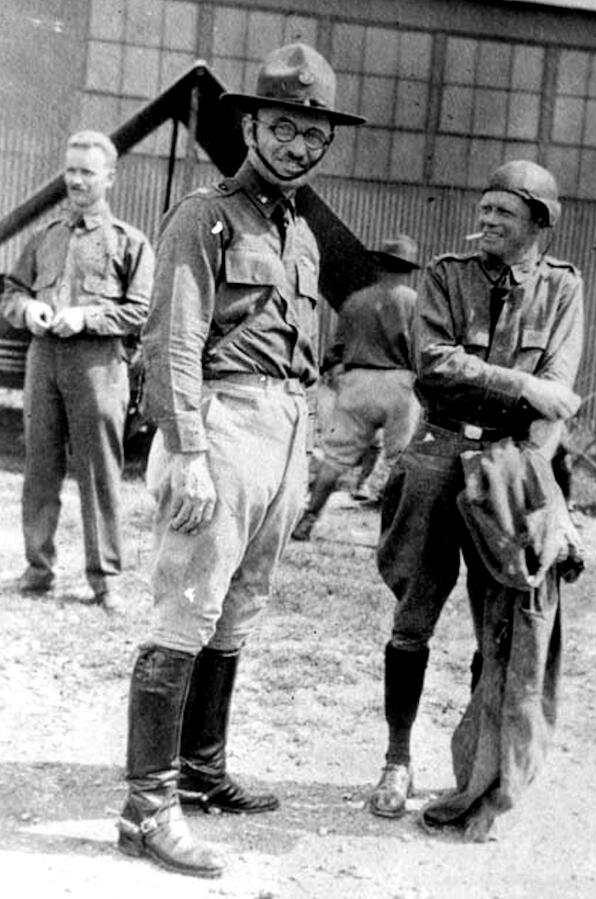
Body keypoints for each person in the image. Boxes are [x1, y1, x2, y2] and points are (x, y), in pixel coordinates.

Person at [116, 43, 364, 878]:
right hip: (221, 427)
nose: (298, 146)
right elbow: (172, 340)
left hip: (284, 430)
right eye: (283, 128)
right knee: (186, 607)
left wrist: (307, 437)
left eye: (313, 134)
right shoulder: (206, 215)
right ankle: (148, 809)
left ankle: (201, 770)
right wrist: (186, 450)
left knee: (238, 606)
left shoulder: (300, 232)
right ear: (251, 127)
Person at [370, 160, 583, 837]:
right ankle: (396, 760)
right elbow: (435, 362)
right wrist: (522, 386)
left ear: (538, 223)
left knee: (500, 626)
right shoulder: (445, 275)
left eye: (503, 213)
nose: (486, 220)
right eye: (484, 208)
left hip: (511, 465)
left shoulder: (563, 288)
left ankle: (475, 772)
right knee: (412, 618)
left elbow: (559, 389)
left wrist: (542, 486)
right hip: (437, 456)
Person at [1, 131, 154, 611]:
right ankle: (37, 568)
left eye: (87, 172)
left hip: (98, 365)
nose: (77, 181)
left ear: (110, 178)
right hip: (43, 360)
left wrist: (86, 317)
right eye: (71, 171)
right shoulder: (45, 237)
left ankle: (105, 578)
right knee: (39, 467)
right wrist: (28, 309)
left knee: (99, 472)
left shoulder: (129, 242)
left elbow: (142, 311)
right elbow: (12, 292)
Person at [291, 235, 422, 541]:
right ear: (409, 269)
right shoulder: (415, 302)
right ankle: (394, 536)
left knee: (335, 459)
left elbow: (335, 350)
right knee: (399, 462)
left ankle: (308, 520)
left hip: (357, 381)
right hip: (399, 384)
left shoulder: (356, 301)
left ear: (379, 264)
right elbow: (422, 351)